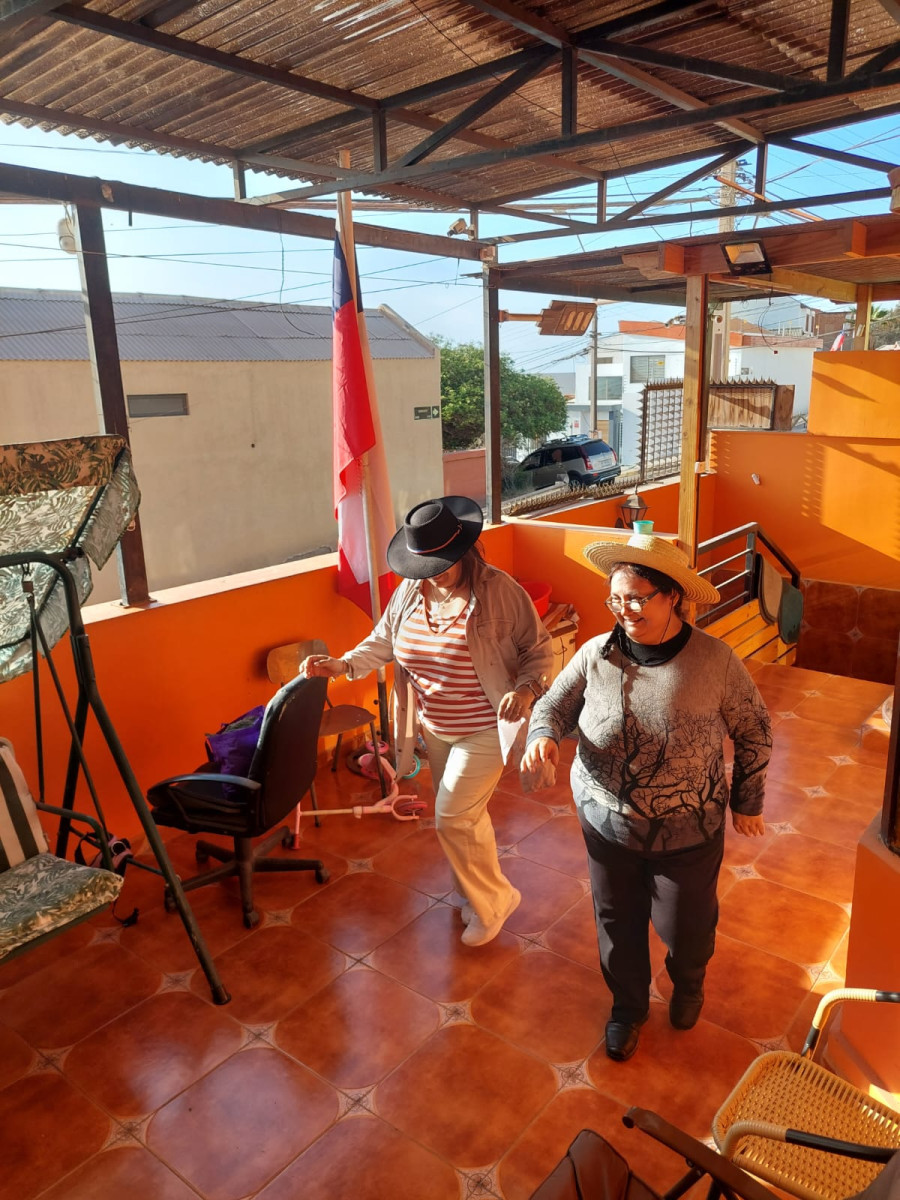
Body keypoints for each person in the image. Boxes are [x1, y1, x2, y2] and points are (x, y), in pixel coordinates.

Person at [521, 532, 771, 1062]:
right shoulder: (595, 654)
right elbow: (553, 706)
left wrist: (747, 801)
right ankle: (627, 1007)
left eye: (637, 598)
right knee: (616, 920)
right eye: (615, 599)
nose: (624, 609)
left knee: (686, 926)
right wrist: (543, 736)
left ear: (672, 596)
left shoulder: (715, 661)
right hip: (606, 820)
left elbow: (754, 729)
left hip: (688, 827)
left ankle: (688, 981)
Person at [301, 496, 553, 947]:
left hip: (485, 725)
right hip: (434, 727)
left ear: (464, 551)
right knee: (466, 816)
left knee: (451, 816)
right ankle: (473, 893)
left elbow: (539, 650)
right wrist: (342, 665)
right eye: (425, 566)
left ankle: (496, 900)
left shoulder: (500, 591)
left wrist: (525, 690)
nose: (434, 574)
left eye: (442, 564)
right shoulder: (409, 591)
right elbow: (382, 641)